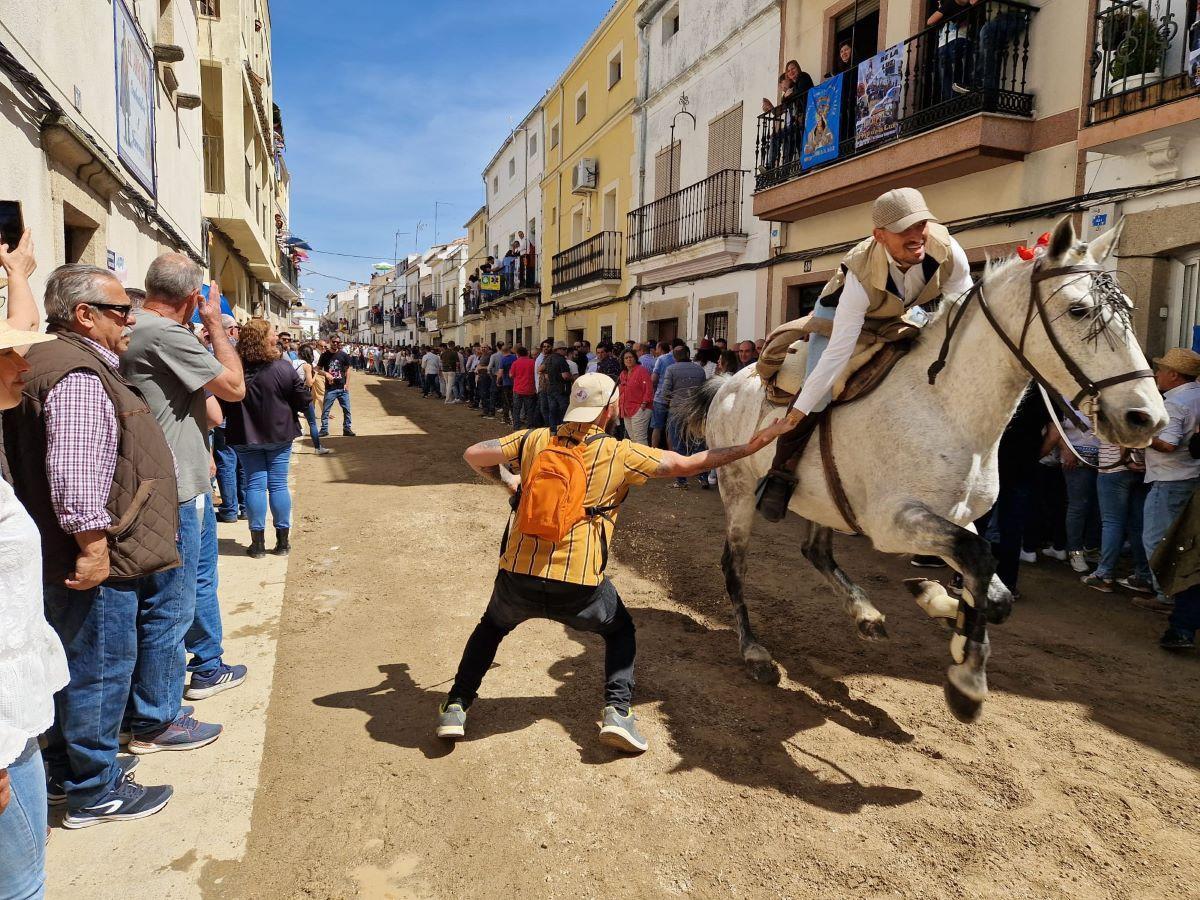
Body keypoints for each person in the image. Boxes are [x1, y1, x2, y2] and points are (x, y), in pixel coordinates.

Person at [437, 373, 773, 751]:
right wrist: (752, 446)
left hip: (519, 571)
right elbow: (688, 463)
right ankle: (617, 712)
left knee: (490, 629)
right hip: (578, 581)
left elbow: (474, 454)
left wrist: (511, 482)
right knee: (620, 631)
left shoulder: (534, 438)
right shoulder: (619, 451)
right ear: (610, 409)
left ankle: (456, 705)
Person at [4, 264, 180, 827]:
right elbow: (77, 472)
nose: (131, 319)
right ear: (84, 315)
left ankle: (67, 771)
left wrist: (17, 274)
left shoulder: (55, 361)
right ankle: (94, 789)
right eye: (120, 310)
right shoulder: (79, 374)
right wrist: (94, 546)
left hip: (67, 548)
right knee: (99, 669)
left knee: (74, 666)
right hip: (96, 552)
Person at [753, 188, 974, 520]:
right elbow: (838, 354)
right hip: (838, 316)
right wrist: (795, 414)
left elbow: (962, 308)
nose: (917, 237)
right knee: (822, 390)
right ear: (880, 236)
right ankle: (780, 473)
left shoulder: (948, 249)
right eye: (904, 230)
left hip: (897, 315)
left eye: (921, 225)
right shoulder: (859, 272)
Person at [121, 254, 245, 750]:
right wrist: (215, 324)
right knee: (172, 605)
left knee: (177, 595)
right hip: (174, 489)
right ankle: (158, 718)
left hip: (169, 478)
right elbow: (232, 389)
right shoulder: (165, 334)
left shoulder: (137, 328)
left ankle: (161, 700)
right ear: (193, 299)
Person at [0, 314, 72, 878]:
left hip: (15, 718)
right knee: (22, 883)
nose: (24, 364)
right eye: (7, 355)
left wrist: (17, 269)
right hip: (2, 731)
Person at [220, 320, 311, 558]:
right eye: (272, 333)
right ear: (264, 339)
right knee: (278, 484)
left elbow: (222, 401)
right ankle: (282, 543)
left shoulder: (235, 368)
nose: (275, 337)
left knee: (255, 485)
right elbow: (302, 399)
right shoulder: (283, 367)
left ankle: (257, 544)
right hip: (279, 433)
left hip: (244, 435)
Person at [1137, 348, 1200, 611]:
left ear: (1174, 375)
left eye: (1161, 370)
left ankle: (1165, 593)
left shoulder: (1174, 403)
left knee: (1156, 538)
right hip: (1188, 475)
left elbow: (1168, 445)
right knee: (1181, 540)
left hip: (1169, 478)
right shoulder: (1196, 396)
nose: (1157, 375)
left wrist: (1140, 435)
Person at [1082, 441, 1153, 594]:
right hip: (1142, 468)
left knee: (1112, 523)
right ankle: (1143, 575)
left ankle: (1104, 574)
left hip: (1115, 467)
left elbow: (1125, 433)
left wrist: (1125, 458)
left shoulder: (1114, 415)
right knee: (1137, 525)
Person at [662, 346, 708, 488]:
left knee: (678, 445)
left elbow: (665, 391)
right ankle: (703, 478)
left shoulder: (671, 369)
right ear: (688, 354)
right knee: (699, 444)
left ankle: (681, 481)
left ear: (675, 357)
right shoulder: (699, 370)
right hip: (696, 412)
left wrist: (669, 404)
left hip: (677, 411)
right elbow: (703, 391)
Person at [296, 343, 332, 455]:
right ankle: (317, 447)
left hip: (292, 395)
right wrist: (315, 374)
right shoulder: (307, 366)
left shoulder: (292, 363)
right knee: (312, 423)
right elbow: (310, 383)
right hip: (303, 395)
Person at [317, 335, 356, 436]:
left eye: (338, 342)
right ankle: (324, 429)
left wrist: (347, 384)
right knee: (326, 410)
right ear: (330, 341)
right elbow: (317, 369)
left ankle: (347, 429)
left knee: (347, 410)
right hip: (330, 388)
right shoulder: (324, 355)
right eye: (334, 342)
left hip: (342, 388)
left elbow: (348, 369)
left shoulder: (344, 355)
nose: (335, 344)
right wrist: (326, 373)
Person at [618, 348, 653, 444]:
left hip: (640, 408)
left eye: (631, 357)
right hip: (626, 409)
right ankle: (637, 458)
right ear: (623, 360)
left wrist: (644, 404)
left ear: (635, 358)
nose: (629, 359)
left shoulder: (641, 370)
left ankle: (646, 458)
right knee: (633, 439)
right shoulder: (623, 373)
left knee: (640, 439)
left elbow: (649, 388)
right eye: (626, 358)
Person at [540, 341, 573, 428]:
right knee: (563, 411)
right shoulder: (561, 360)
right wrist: (573, 378)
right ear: (559, 349)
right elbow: (565, 376)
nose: (566, 351)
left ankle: (553, 430)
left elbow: (540, 369)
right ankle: (563, 430)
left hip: (550, 388)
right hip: (561, 390)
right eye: (564, 349)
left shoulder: (549, 358)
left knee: (553, 411)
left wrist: (550, 376)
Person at [509, 346, 537, 429]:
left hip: (518, 389)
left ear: (518, 354)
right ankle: (530, 426)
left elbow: (511, 375)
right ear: (527, 353)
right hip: (529, 389)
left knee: (517, 409)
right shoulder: (533, 362)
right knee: (529, 409)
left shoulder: (515, 363)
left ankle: (516, 426)